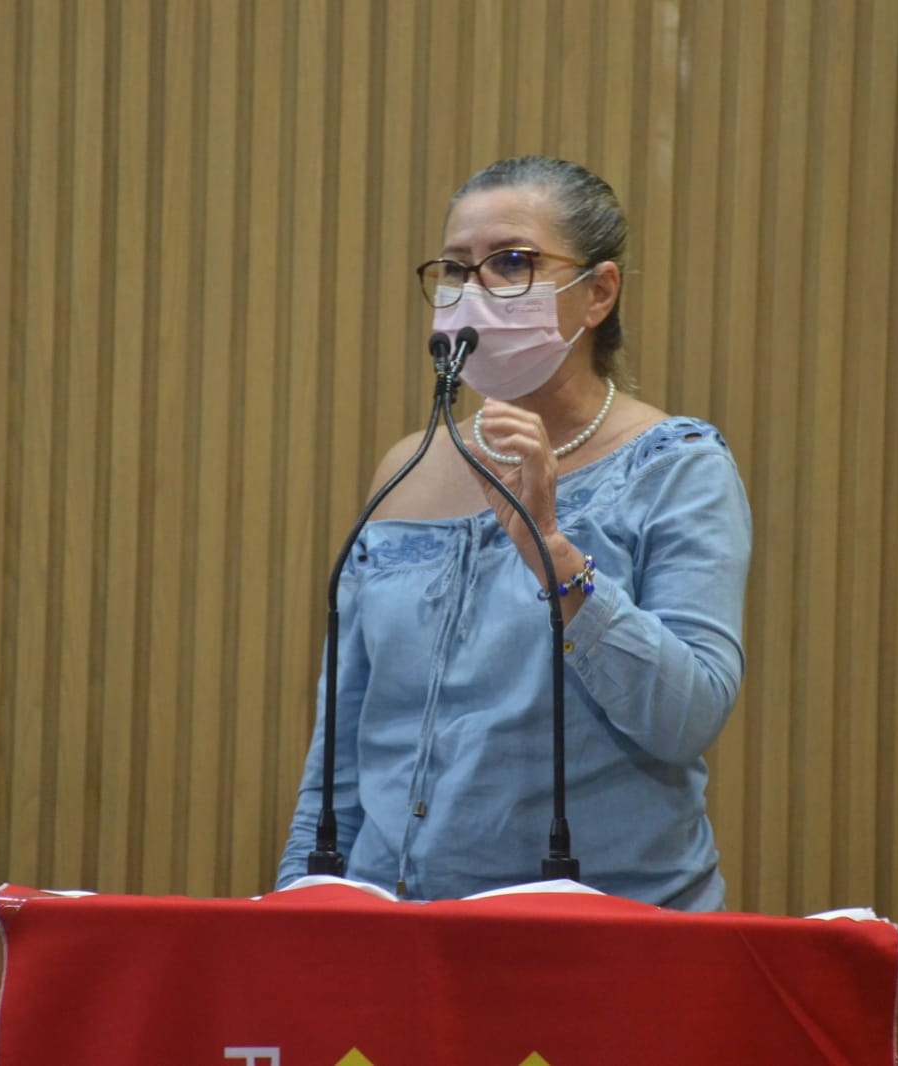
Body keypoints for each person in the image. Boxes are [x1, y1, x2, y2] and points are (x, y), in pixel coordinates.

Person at [275, 156, 751, 911]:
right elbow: (339, 751)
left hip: (602, 934)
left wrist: (552, 553)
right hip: (397, 928)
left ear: (597, 292)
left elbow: (685, 718)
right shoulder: (405, 468)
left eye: (511, 262)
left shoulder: (676, 466)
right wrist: (301, 902)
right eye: (455, 268)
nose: (474, 290)